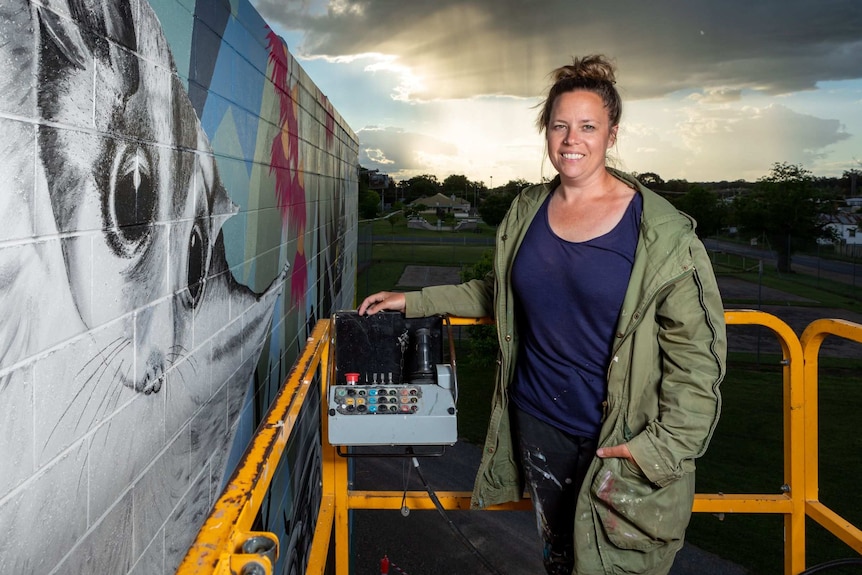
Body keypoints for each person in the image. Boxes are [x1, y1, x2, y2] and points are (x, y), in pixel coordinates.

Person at [358, 55, 727, 575]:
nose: (571, 139)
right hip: (539, 422)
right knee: (558, 560)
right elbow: (501, 293)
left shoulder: (663, 233)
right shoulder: (528, 209)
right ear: (546, 132)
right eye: (559, 125)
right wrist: (415, 301)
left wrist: (661, 451)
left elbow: (699, 360)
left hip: (618, 439)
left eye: (587, 126)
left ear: (612, 134)